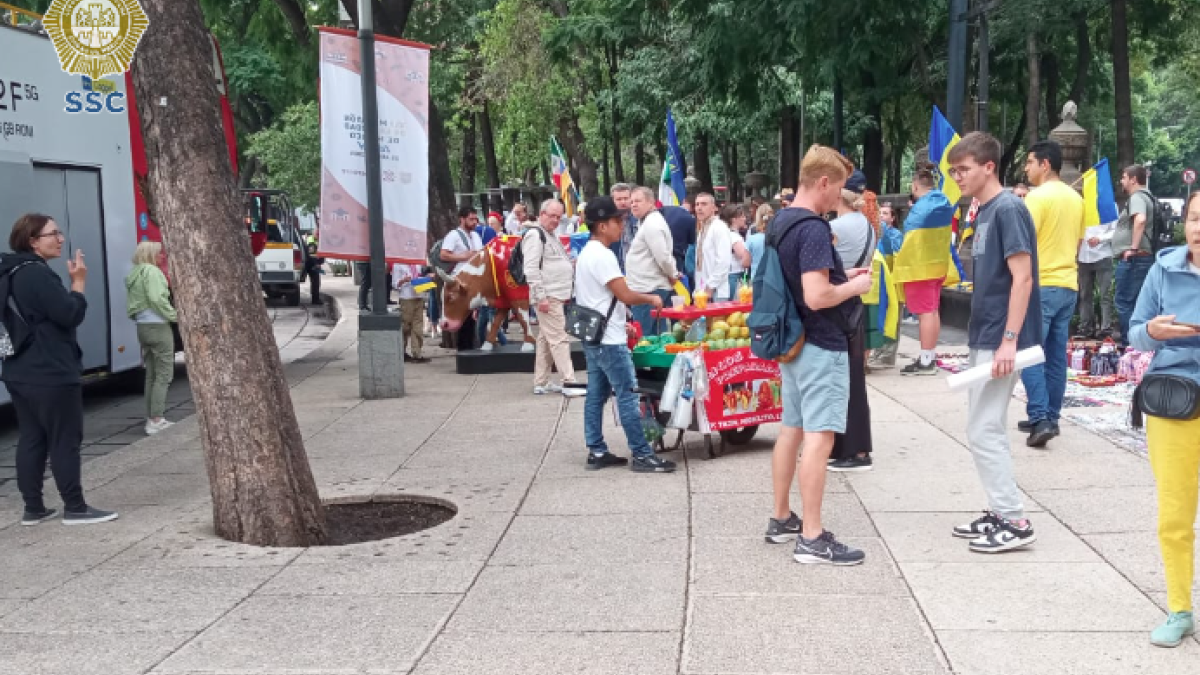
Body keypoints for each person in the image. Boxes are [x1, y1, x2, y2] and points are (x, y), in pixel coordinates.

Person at [764, 146, 872, 565]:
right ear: (823, 183)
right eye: (841, 187)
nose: (842, 196)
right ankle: (811, 535)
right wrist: (855, 287)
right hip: (820, 343)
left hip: (790, 342)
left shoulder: (780, 221)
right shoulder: (812, 228)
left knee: (791, 429)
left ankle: (781, 518)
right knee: (820, 438)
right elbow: (818, 294)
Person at [947, 132, 1041, 553]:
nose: (957, 177)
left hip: (1001, 336)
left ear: (988, 166)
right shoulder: (984, 211)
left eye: (962, 169)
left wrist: (1009, 340)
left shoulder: (1008, 209)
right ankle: (1001, 511)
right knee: (984, 426)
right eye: (953, 170)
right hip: (985, 331)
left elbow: (1023, 277)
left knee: (983, 428)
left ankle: (1014, 518)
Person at [0, 214, 117, 525]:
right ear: (33, 241)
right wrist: (78, 283)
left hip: (18, 369)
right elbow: (69, 314)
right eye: (53, 234)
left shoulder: (10, 272)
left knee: (31, 437)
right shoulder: (36, 274)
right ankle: (75, 508)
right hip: (49, 371)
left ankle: (33, 508)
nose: (61, 239)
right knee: (65, 439)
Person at [1128, 191, 1200, 647]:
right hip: (1174, 399)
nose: (1198, 228)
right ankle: (1179, 608)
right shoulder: (1165, 268)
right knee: (1174, 513)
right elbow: (1135, 332)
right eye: (1194, 218)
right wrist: (1153, 332)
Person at [576, 196, 675, 473]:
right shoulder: (603, 255)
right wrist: (651, 298)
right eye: (617, 221)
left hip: (594, 335)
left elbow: (600, 297)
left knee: (596, 395)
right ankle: (642, 454)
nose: (621, 225)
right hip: (609, 340)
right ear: (602, 225)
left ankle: (596, 449)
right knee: (628, 395)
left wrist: (624, 320)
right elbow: (624, 293)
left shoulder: (586, 253)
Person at [1017, 140, 1087, 447]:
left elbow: (1022, 244)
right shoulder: (1076, 199)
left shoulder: (1036, 198)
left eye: (1030, 162)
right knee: (1056, 355)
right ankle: (1051, 416)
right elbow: (1079, 244)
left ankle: (1040, 417)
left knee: (1029, 352)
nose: (1026, 168)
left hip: (1040, 284)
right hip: (1068, 283)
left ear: (1045, 164)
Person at [827, 173, 877, 473]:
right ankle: (853, 446)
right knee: (853, 377)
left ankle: (852, 449)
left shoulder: (834, 227)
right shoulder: (868, 226)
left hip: (837, 301)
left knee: (841, 379)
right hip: (855, 302)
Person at [894, 167, 956, 375]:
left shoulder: (921, 208)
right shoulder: (943, 202)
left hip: (918, 268)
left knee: (925, 312)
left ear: (915, 186)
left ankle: (926, 359)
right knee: (932, 310)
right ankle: (929, 354)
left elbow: (909, 240)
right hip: (937, 265)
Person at [524, 199, 583, 396]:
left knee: (546, 340)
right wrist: (541, 297)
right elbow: (530, 269)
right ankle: (569, 381)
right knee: (559, 338)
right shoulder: (535, 235)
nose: (556, 220)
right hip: (548, 295)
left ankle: (541, 381)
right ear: (542, 214)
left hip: (554, 294)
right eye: (552, 216)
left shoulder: (548, 235)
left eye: (559, 217)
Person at [125, 240, 178, 436]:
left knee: (151, 374)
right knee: (164, 374)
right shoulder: (152, 272)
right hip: (158, 326)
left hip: (143, 326)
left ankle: (151, 417)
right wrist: (175, 315)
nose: (162, 256)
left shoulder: (134, 273)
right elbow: (157, 298)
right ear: (150, 255)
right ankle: (157, 419)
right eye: (159, 253)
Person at [625, 186, 680, 334]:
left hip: (649, 288)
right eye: (632, 202)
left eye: (638, 201)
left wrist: (673, 274)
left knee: (646, 337)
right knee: (655, 335)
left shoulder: (652, 224)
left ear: (651, 202)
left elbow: (663, 257)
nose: (633, 204)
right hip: (647, 286)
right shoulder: (647, 221)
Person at [1115, 164, 1157, 346]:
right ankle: (1138, 345)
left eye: (1124, 177)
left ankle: (1129, 345)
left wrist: (1132, 248)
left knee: (1124, 302)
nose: (1122, 181)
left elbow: (1140, 220)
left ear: (1133, 179)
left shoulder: (1138, 197)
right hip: (1142, 258)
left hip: (1135, 259)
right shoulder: (1148, 197)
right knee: (1137, 303)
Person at [440, 207, 485, 350]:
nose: (474, 222)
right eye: (471, 219)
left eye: (475, 219)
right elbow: (444, 255)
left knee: (472, 317)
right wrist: (463, 256)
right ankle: (463, 348)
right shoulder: (454, 235)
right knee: (462, 315)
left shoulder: (476, 236)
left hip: (474, 282)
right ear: (462, 219)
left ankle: (472, 346)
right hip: (459, 281)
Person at [1077, 213, 1116, 339]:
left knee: (1105, 294)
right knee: (1084, 295)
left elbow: (1116, 229)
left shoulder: (1108, 204)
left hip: (1102, 254)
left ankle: (1106, 328)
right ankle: (1086, 327)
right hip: (1082, 255)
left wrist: (1100, 238)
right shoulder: (1079, 203)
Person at [694, 193, 733, 300]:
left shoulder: (719, 227)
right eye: (697, 204)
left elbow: (724, 261)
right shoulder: (703, 228)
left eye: (704, 204)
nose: (699, 208)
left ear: (714, 208)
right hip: (702, 290)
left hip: (717, 292)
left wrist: (710, 286)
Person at [392, 262, 430, 363]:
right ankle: (402, 351)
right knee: (405, 326)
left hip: (418, 295)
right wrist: (403, 280)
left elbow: (419, 276)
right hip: (407, 297)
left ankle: (417, 353)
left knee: (418, 326)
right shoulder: (398, 264)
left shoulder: (417, 263)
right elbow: (395, 284)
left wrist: (426, 278)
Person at [722, 204, 752, 298]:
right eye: (742, 216)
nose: (744, 218)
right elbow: (743, 255)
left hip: (733, 274)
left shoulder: (730, 234)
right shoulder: (734, 236)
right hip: (734, 275)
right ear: (733, 219)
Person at [661, 204, 696, 282]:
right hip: (677, 254)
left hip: (659, 250)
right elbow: (692, 240)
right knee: (677, 281)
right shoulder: (691, 219)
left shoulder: (666, 208)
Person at [608, 183, 638, 271]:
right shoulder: (606, 222)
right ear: (612, 201)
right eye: (619, 199)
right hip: (616, 268)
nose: (623, 202)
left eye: (626, 198)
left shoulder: (639, 219)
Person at [747, 203, 773, 280]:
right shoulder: (777, 232)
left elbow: (747, 259)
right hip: (772, 276)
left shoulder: (752, 231)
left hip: (756, 274)